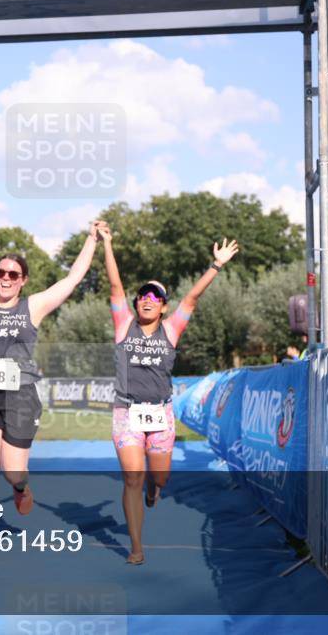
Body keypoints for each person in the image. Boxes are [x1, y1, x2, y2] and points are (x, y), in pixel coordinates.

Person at [0, 207, 103, 566]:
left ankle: (21, 486)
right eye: (1, 272)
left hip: (20, 396)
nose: (5, 277)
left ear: (23, 280)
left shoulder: (33, 307)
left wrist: (91, 241)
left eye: (12, 274)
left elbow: (71, 281)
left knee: (12, 471)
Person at [100, 224, 238, 565]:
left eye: (155, 297)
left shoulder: (171, 329)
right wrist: (107, 243)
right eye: (143, 296)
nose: (147, 300)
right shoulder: (123, 325)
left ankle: (154, 489)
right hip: (126, 412)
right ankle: (136, 547)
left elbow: (192, 297)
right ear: (136, 303)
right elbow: (115, 285)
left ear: (163, 307)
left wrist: (216, 266)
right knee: (132, 476)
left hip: (160, 414)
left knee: (157, 477)